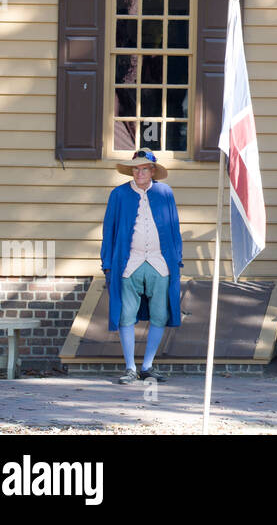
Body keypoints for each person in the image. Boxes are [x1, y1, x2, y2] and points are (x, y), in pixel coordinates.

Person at [101, 150, 183, 384]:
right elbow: (109, 230)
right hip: (129, 263)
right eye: (136, 168)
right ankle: (130, 368)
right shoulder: (118, 194)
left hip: (160, 262)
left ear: (152, 171)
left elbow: (174, 227)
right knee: (126, 314)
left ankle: (147, 366)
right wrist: (107, 262)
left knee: (159, 314)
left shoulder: (165, 193)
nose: (139, 172)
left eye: (144, 168)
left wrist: (177, 259)